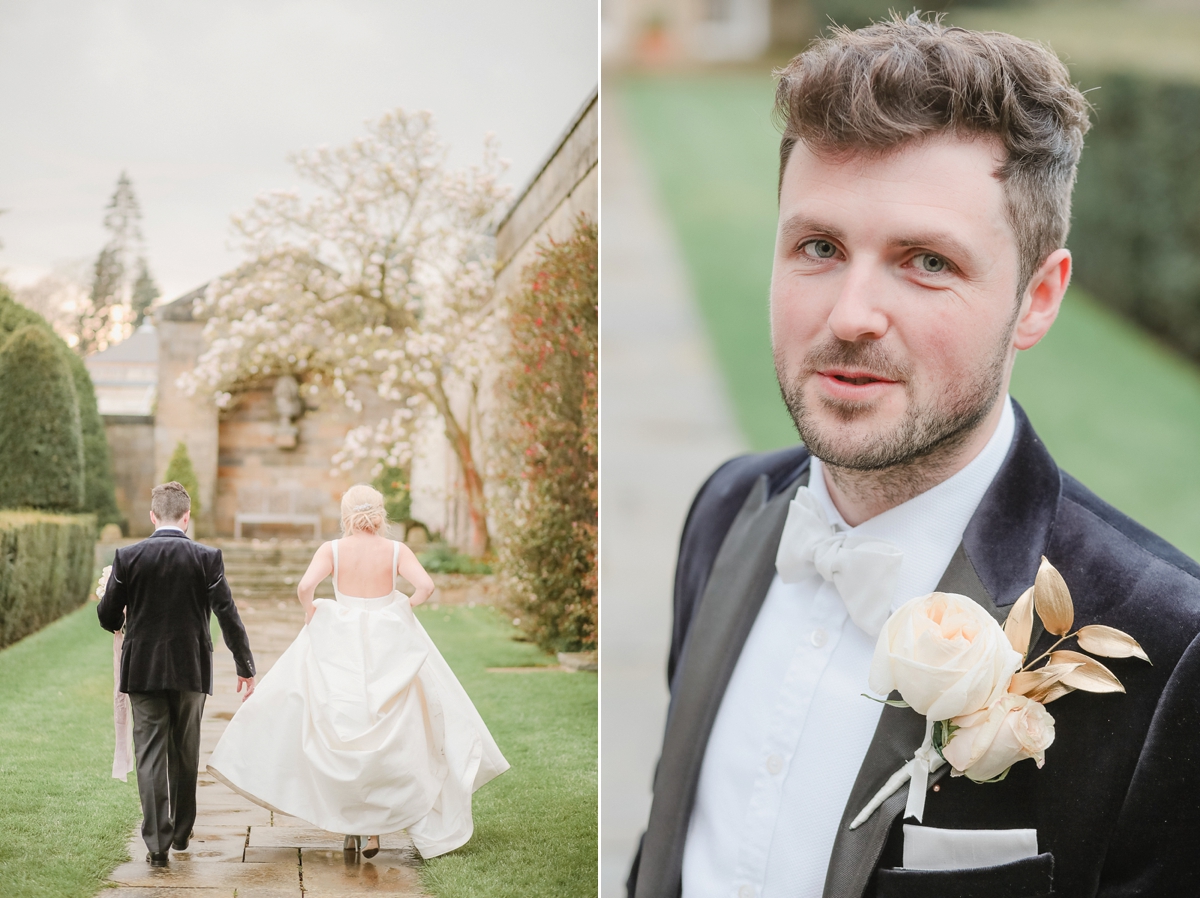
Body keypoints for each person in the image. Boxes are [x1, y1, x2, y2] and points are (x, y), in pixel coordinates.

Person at [628, 14, 1200, 898]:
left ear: (1038, 298)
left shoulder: (1167, 651)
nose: (851, 313)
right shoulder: (725, 510)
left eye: (926, 261)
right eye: (819, 247)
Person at [207, 484, 509, 859]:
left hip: (340, 643)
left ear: (345, 515)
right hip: (388, 645)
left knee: (340, 724)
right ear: (381, 514)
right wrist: (400, 610)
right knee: (387, 732)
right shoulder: (397, 550)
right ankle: (373, 831)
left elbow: (305, 587)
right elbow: (426, 587)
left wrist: (311, 610)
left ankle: (350, 823)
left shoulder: (332, 550)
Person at [97, 481, 256, 868]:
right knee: (185, 751)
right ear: (187, 518)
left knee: (149, 753)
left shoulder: (128, 556)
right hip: (190, 669)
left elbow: (106, 616)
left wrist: (123, 616)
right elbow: (227, 614)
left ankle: (156, 842)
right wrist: (245, 665)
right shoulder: (207, 557)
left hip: (143, 669)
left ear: (153, 516)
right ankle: (182, 831)